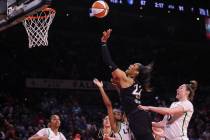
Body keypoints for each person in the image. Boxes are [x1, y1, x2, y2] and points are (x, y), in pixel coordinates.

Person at [100, 29, 154, 140]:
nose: (130, 65)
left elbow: (108, 62)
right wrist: (117, 87)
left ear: (136, 73)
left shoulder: (126, 78)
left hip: (137, 116)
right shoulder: (135, 83)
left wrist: (103, 43)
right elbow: (126, 96)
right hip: (140, 116)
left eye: (133, 66)